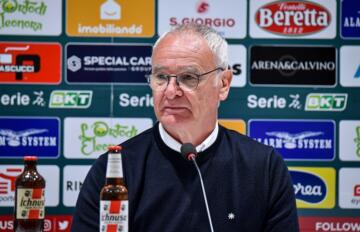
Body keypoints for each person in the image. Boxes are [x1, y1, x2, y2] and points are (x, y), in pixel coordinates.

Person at [71, 23, 299, 232]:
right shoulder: (114, 170)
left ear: (223, 84)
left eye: (188, 77)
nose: (171, 91)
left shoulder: (264, 166)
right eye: (161, 77)